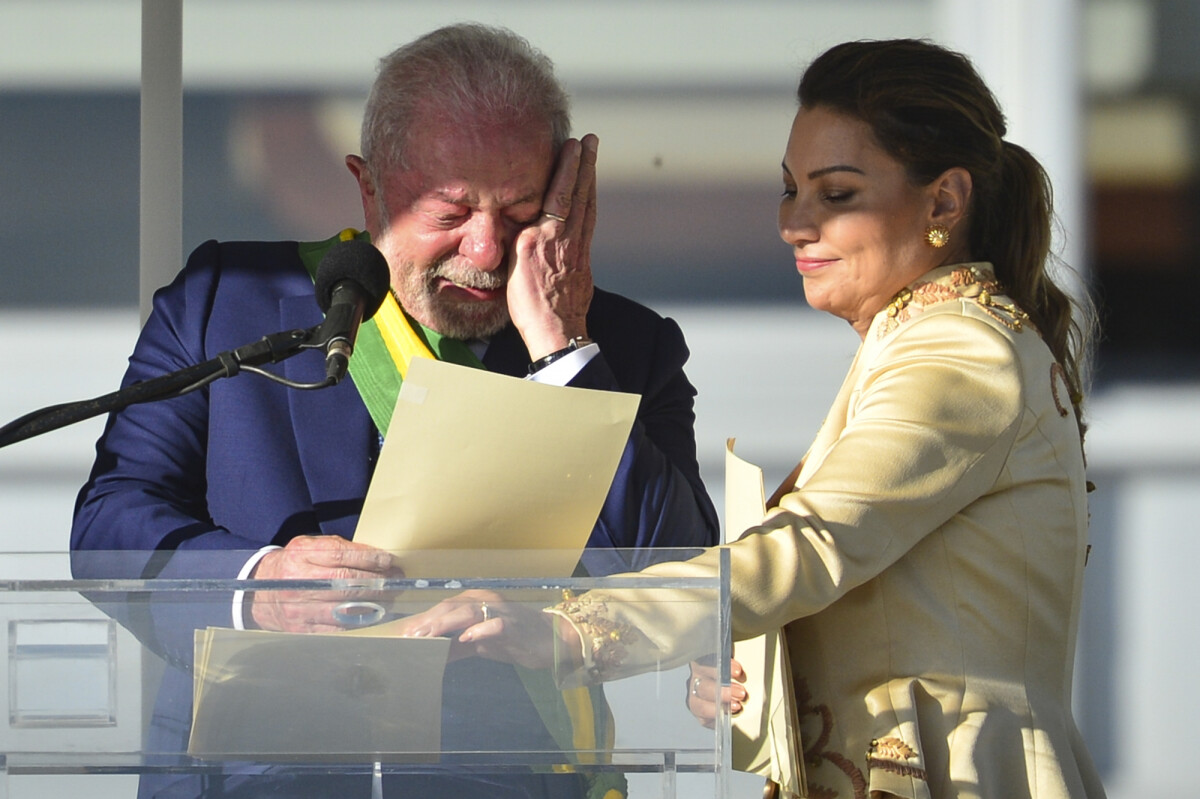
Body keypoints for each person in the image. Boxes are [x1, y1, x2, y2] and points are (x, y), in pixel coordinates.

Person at [398, 39, 1107, 799]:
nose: (795, 224)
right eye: (790, 189)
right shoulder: (929, 338)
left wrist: (574, 628)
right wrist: (754, 656)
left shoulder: (960, 347)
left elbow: (815, 544)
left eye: (836, 195)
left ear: (943, 201)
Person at [70, 22, 718, 799]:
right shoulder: (224, 304)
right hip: (249, 778)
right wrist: (255, 580)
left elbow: (678, 577)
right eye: (450, 213)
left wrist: (562, 346)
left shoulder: (624, 348)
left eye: (518, 214)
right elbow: (109, 522)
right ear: (369, 186)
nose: (484, 250)